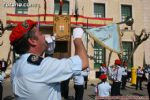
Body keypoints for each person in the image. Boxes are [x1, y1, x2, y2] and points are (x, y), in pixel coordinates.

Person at [9, 19, 88, 100]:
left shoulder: (16, 65)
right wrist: (77, 38)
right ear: (33, 41)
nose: (44, 36)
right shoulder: (42, 66)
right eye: (40, 34)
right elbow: (83, 62)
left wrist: (47, 53)